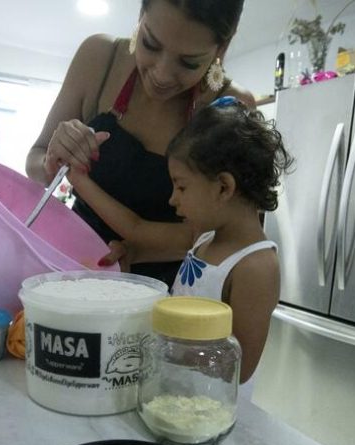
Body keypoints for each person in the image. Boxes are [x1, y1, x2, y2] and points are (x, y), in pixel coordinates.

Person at [26, 0, 255, 287]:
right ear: (140, 15)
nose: (161, 74)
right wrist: (53, 159)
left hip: (169, 294)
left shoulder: (232, 108)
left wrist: (137, 251)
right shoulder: (98, 58)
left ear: (222, 48)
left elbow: (224, 233)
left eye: (188, 62)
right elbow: (36, 161)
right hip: (73, 268)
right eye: (150, 43)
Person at [67, 96, 293, 384]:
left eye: (181, 186)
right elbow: (138, 233)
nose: (173, 199)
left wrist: (162, 348)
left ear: (223, 187)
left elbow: (241, 367)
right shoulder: (204, 238)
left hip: (208, 412)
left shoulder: (256, 267)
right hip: (172, 389)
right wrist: (129, 253)